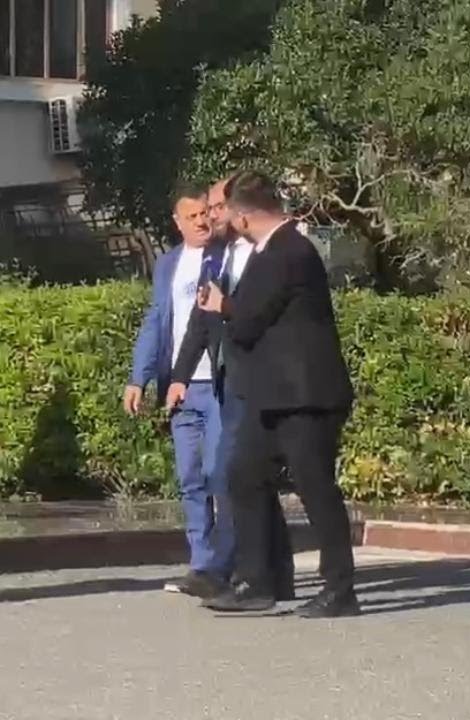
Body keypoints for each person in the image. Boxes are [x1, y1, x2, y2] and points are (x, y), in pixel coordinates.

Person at [195, 170, 360, 618]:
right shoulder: (271, 250)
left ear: (245, 217)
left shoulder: (288, 251)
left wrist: (222, 306)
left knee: (316, 487)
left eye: (229, 213)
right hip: (273, 396)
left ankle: (340, 588)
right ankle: (255, 581)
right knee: (244, 476)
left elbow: (249, 321)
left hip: (306, 396)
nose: (225, 221)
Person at [167, 173, 295, 602]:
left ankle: (227, 570)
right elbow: (200, 322)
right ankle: (272, 574)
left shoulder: (266, 252)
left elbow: (260, 315)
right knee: (245, 475)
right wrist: (180, 376)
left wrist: (228, 307)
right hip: (230, 379)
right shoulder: (218, 256)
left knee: (233, 474)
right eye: (208, 209)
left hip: (258, 378)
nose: (212, 216)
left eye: (218, 207)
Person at [123, 185, 232, 599]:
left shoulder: (224, 256)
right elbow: (156, 321)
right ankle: (201, 565)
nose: (202, 221)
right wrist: (139, 377)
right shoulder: (169, 264)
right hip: (180, 387)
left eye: (205, 213)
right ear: (178, 222)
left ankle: (225, 566)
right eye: (193, 216)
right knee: (190, 478)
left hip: (218, 383)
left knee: (219, 475)